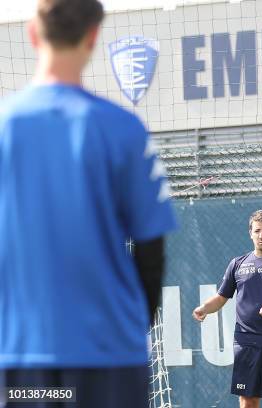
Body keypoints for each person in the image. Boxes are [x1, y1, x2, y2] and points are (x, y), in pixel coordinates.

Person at [0, 1, 176, 407]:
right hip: (108, 356)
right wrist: (132, 327)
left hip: (19, 356)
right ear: (94, 36)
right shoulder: (123, 129)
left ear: (32, 33)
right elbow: (152, 251)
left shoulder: (6, 126)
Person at [193, 210, 262, 408]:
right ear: (250, 233)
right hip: (246, 343)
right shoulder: (237, 264)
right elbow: (221, 297)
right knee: (248, 401)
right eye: (257, 230)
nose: (261, 235)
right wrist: (204, 308)